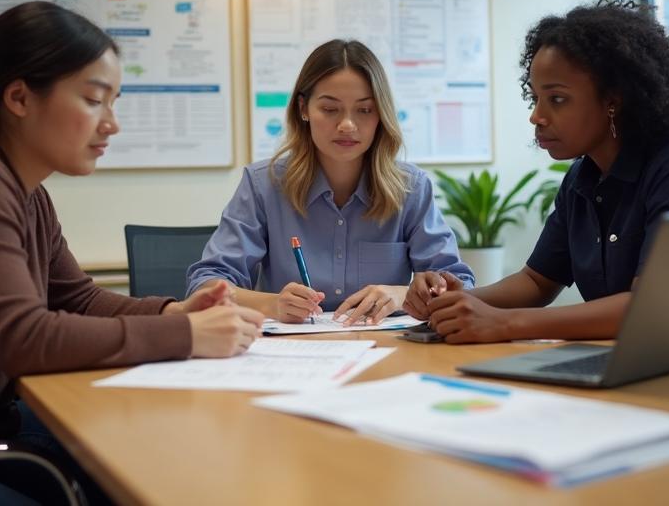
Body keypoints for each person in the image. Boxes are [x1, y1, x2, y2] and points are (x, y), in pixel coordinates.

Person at [0, 1, 263, 504]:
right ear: (19, 97)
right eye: (94, 100)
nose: (112, 125)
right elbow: (23, 338)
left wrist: (175, 311)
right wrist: (184, 333)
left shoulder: (26, 190)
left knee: (153, 460)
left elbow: (78, 299)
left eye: (114, 102)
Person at [404, 0, 669, 345]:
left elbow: (653, 308)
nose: (536, 116)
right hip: (629, 364)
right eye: (535, 98)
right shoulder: (582, 176)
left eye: (557, 99)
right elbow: (536, 282)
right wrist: (457, 301)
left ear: (613, 100)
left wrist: (506, 324)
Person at [187, 39, 474, 326]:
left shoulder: (410, 188)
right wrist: (272, 304)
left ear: (381, 116)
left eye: (364, 110)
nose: (347, 125)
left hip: (385, 348)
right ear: (304, 109)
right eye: (330, 109)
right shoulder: (264, 185)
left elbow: (459, 285)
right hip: (290, 355)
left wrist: (401, 294)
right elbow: (206, 285)